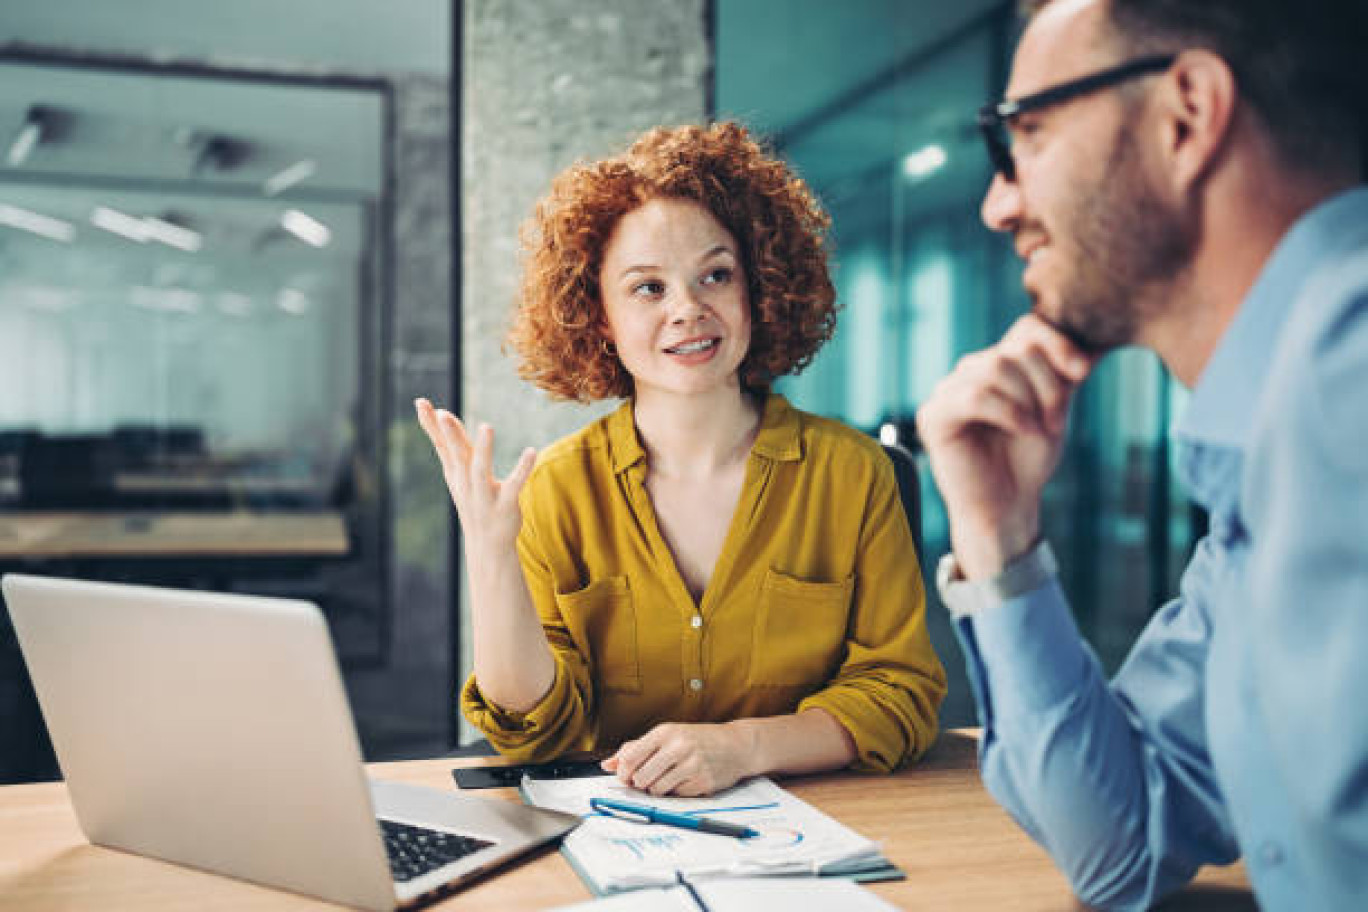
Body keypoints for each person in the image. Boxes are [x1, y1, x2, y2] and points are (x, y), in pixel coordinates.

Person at [916, 0, 1368, 908]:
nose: (997, 204)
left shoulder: (1344, 373)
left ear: (1186, 115)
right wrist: (999, 538)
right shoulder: (1266, 463)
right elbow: (1121, 842)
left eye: (1026, 134)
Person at [418, 122, 945, 798]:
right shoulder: (555, 489)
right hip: (617, 838)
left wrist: (743, 746)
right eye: (648, 288)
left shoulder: (854, 474)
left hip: (824, 834)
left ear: (759, 288)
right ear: (597, 315)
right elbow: (532, 730)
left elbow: (902, 693)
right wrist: (490, 552)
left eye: (715, 276)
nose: (689, 310)